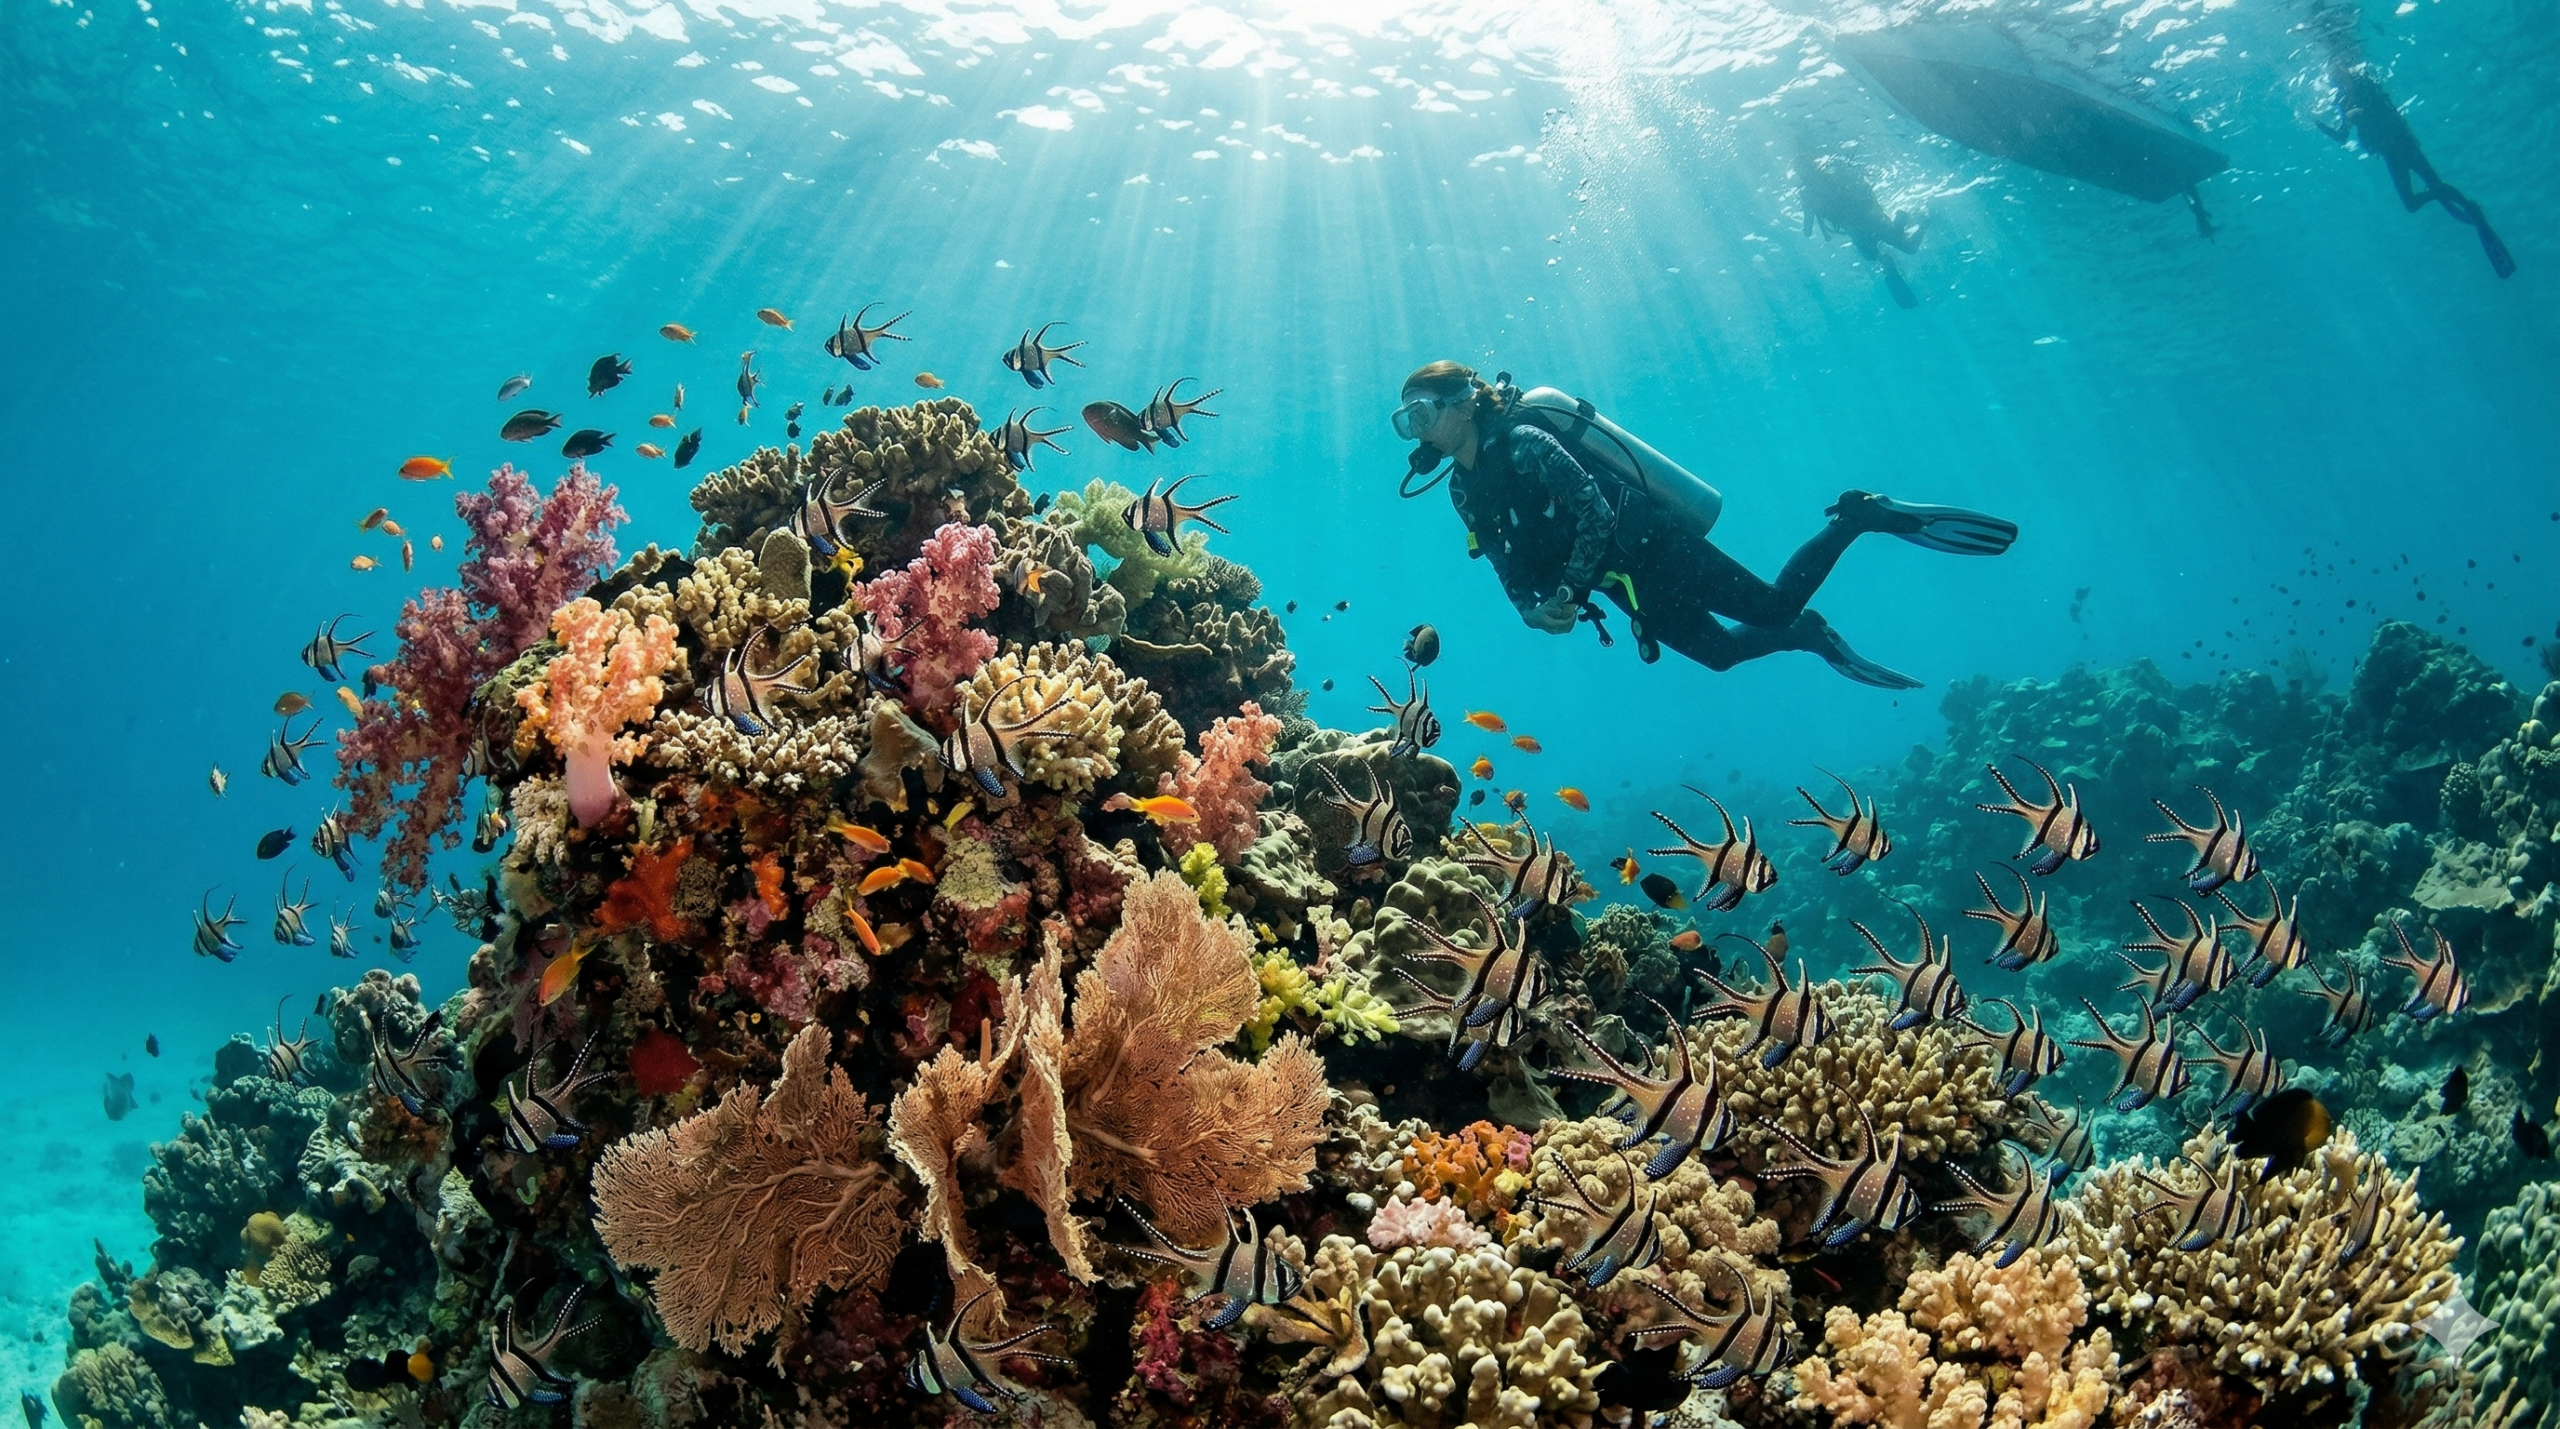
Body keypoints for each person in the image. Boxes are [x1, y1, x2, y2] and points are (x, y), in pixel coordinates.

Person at [1391, 362, 2017, 688]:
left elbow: (1594, 510)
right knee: (1720, 656)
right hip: (1622, 585)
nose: (1415, 430)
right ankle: (1811, 635)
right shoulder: (1463, 493)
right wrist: (1530, 608)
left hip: (1659, 549)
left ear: (1463, 401)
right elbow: (1504, 563)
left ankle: (1861, 517)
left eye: (1421, 413)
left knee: (1770, 606)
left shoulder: (1526, 441)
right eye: (1405, 421)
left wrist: (1571, 592)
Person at [2314, 62, 2515, 279]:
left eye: (2340, 76)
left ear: (2346, 73)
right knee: (2411, 204)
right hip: (2391, 155)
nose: (2339, 81)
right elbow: (2342, 135)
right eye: (2335, 80)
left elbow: (2383, 109)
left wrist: (2358, 112)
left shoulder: (2364, 84)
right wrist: (2320, 124)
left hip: (2405, 145)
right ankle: (2465, 207)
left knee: (2439, 192)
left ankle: (2468, 208)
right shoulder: (2342, 101)